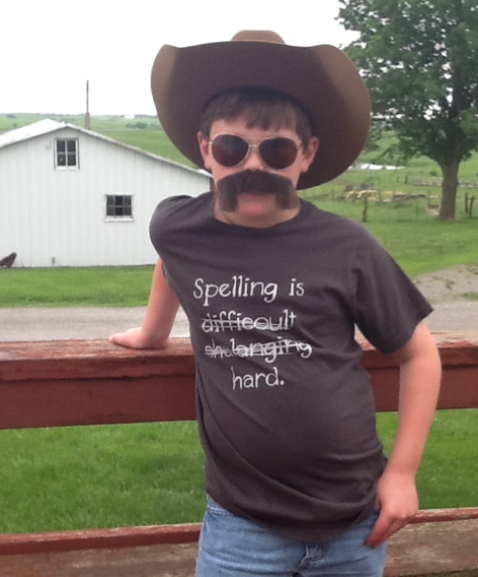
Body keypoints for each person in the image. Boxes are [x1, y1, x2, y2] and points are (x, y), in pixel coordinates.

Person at [110, 30, 441, 577]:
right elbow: (170, 259)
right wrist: (153, 332)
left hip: (354, 518)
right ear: (206, 150)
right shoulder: (177, 225)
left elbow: (419, 354)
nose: (254, 166)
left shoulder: (346, 246)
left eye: (277, 150)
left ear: (306, 154)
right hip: (242, 525)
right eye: (232, 148)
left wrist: (402, 474)